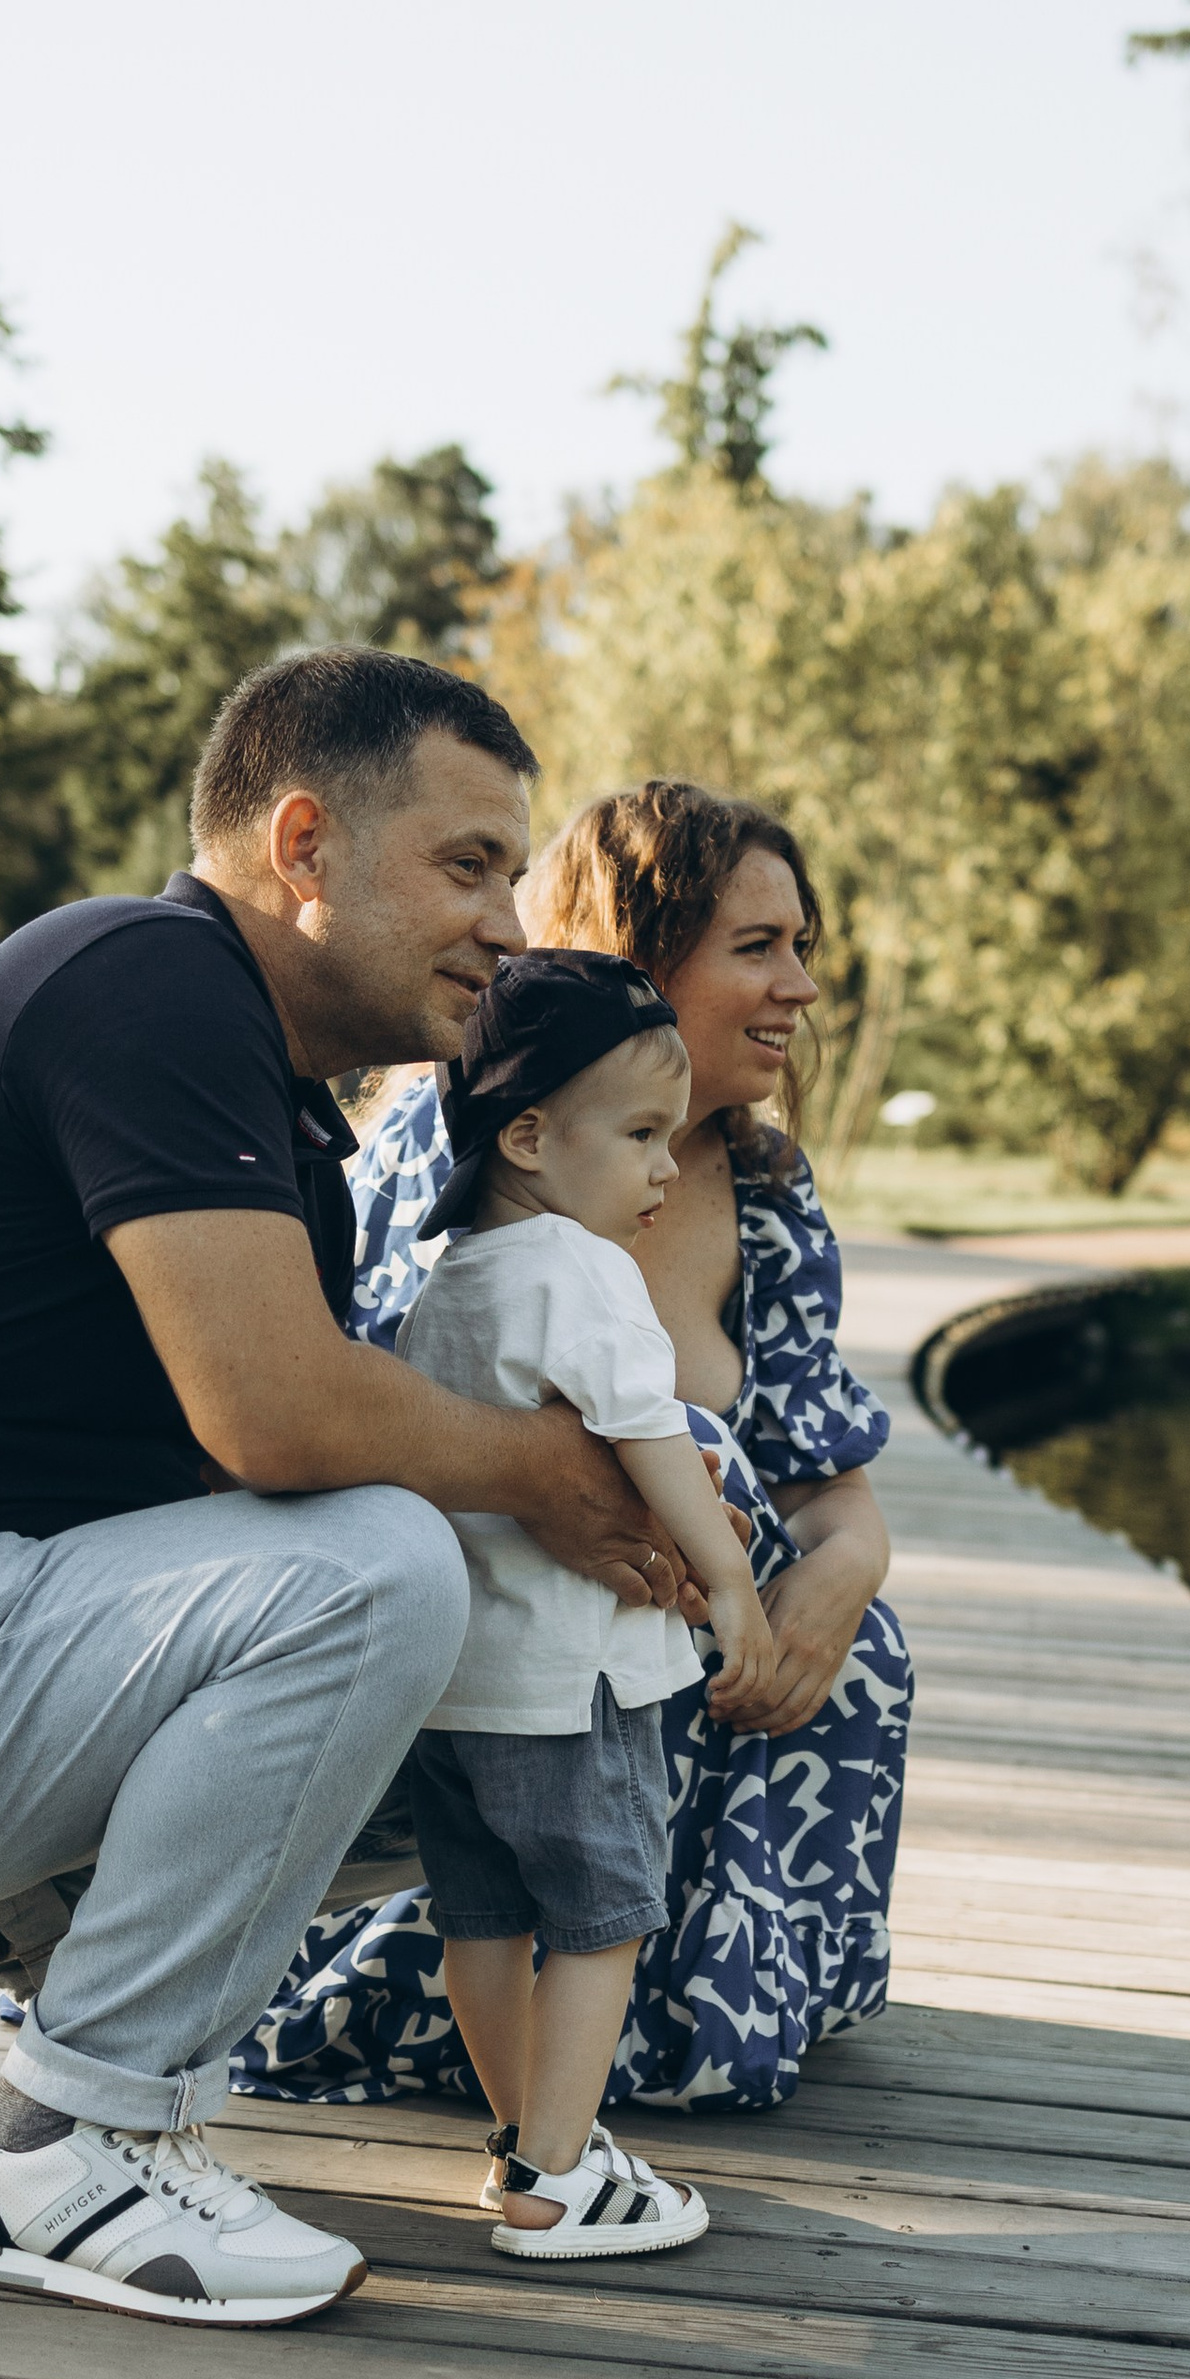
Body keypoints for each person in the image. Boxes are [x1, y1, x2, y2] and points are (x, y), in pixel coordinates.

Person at [0, 650, 694, 2328]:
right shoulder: (150, 983)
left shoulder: (267, 1103)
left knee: (485, 1706)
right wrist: (547, 1472)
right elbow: (277, 1420)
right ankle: (69, 2138)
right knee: (384, 1572)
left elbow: (212, 1497)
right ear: (304, 847)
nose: (512, 931)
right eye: (468, 867)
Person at [243, 777, 912, 2118]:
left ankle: (704, 1993)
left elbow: (827, 1473)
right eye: (759, 948)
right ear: (639, 959)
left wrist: (841, 1570)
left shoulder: (773, 1195)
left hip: (684, 1667)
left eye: (808, 949)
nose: (802, 988)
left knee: (865, 1646)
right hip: (499, 1657)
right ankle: (529, 2075)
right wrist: (548, 1488)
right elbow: (354, 1410)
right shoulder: (457, 1158)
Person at [386, 946, 773, 2256]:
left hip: (459, 1680)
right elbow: (653, 1436)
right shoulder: (584, 1269)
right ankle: (555, 2175)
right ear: (533, 1135)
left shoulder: (450, 1280)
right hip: (575, 1680)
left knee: (483, 1919)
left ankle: (525, 2138)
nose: (669, 1166)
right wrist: (730, 1583)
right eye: (643, 1134)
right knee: (602, 1920)